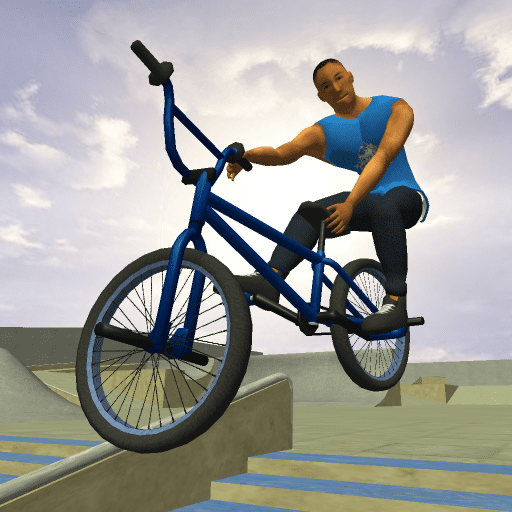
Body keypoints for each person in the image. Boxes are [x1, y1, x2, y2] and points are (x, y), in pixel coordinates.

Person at [220, 59, 429, 335]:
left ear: (350, 76)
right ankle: (271, 279)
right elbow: (282, 153)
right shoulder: (323, 131)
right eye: (327, 86)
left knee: (385, 204)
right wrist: (246, 156)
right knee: (310, 212)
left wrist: (350, 204)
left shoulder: (394, 107)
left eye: (339, 78)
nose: (337, 88)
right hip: (368, 199)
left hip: (406, 196)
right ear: (321, 95)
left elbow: (383, 155)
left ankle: (395, 301)